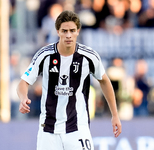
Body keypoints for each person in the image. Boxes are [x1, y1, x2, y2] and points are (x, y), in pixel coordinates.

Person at [17, 10, 121, 150]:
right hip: (48, 129)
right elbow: (24, 82)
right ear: (58, 31)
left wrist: (115, 115)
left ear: (78, 31)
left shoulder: (88, 56)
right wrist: (23, 97)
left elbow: (104, 81)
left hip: (77, 127)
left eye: (72, 30)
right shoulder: (44, 55)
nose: (68, 35)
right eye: (64, 31)